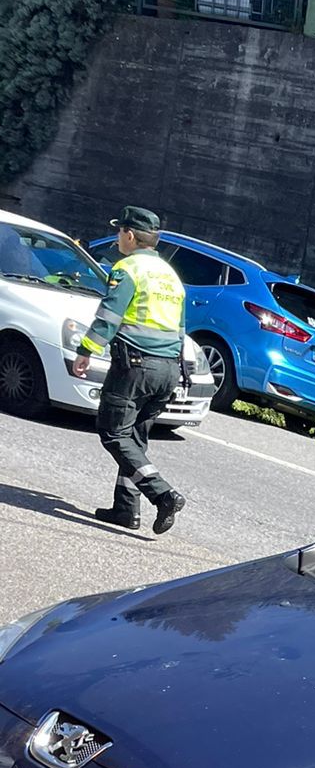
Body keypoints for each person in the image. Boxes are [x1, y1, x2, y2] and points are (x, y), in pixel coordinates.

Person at [70, 205, 187, 534]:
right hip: (168, 371)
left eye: (121, 231)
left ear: (130, 235)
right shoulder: (171, 277)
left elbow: (110, 315)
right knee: (134, 439)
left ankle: (162, 494)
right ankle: (125, 510)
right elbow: (179, 329)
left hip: (135, 366)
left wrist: (86, 351)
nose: (119, 236)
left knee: (113, 433)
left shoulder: (128, 269)